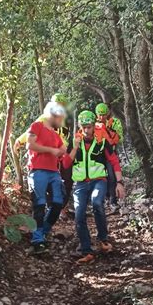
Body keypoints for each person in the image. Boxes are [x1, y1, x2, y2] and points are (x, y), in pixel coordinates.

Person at [62, 110, 125, 264]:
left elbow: (114, 161)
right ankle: (86, 250)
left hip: (99, 180)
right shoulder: (75, 141)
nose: (86, 130)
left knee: (97, 203)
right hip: (81, 184)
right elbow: (65, 164)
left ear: (93, 126)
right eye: (83, 127)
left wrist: (119, 182)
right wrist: (75, 148)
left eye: (89, 127)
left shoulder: (102, 140)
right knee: (79, 214)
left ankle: (103, 239)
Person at [14, 92, 73, 214]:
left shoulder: (66, 120)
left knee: (67, 180)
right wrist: (20, 140)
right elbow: (31, 130)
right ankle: (51, 208)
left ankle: (60, 207)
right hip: (50, 154)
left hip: (61, 153)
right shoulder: (45, 118)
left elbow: (65, 137)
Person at [27, 101, 67, 254]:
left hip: (53, 172)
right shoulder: (36, 126)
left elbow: (62, 148)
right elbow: (30, 145)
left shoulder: (56, 135)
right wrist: (51, 150)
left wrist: (62, 149)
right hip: (38, 171)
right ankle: (37, 240)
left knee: (58, 202)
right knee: (39, 204)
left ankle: (43, 231)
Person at [95, 103, 124, 211]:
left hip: (111, 151)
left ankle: (113, 200)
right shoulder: (94, 125)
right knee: (100, 177)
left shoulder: (115, 122)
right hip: (98, 153)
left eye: (104, 114)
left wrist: (109, 131)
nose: (102, 117)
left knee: (112, 176)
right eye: (99, 115)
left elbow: (120, 138)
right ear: (96, 114)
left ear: (108, 113)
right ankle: (103, 198)